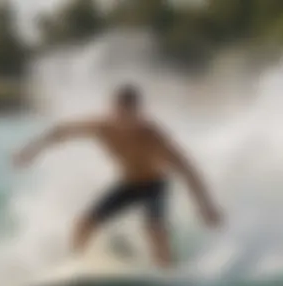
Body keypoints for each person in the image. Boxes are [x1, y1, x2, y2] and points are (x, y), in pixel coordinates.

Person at [13, 84, 223, 268]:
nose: (122, 120)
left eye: (128, 115)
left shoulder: (153, 135)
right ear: (112, 109)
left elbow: (187, 169)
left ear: (138, 113)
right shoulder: (102, 127)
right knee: (82, 224)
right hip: (128, 184)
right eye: (118, 113)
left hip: (154, 185)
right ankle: (76, 268)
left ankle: (168, 273)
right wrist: (31, 150)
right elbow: (62, 132)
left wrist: (205, 206)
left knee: (154, 229)